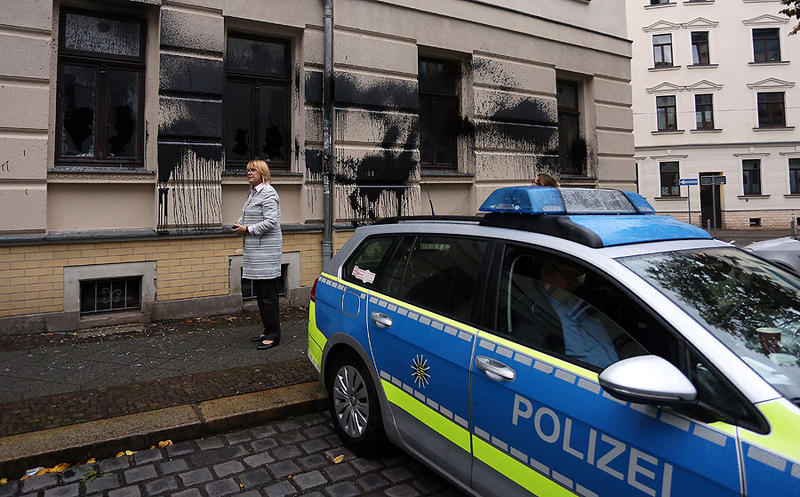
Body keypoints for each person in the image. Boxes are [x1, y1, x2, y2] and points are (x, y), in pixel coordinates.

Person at [233, 160, 283, 350]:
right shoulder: (254, 192)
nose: (249, 173)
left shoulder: (269, 193)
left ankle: (274, 335)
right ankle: (268, 329)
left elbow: (271, 221)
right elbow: (247, 214)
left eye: (253, 170)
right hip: (257, 251)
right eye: (247, 170)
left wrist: (248, 229)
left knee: (268, 294)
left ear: (262, 173)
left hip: (266, 251)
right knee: (262, 294)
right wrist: (240, 224)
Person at [537, 258, 619, 368]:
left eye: (578, 275)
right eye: (569, 274)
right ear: (546, 273)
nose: (576, 282)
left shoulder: (579, 304)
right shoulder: (539, 310)